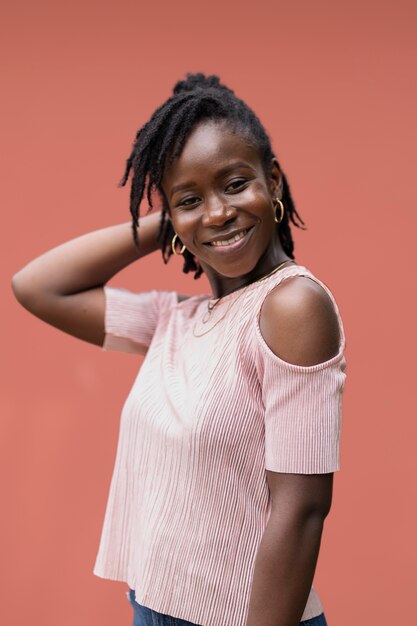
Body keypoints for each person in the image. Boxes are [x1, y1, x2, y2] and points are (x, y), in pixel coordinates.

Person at [12, 72, 347, 626]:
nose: (217, 213)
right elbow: (38, 286)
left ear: (275, 181)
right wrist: (169, 222)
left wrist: (188, 209)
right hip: (154, 607)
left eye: (235, 184)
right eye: (192, 198)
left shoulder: (291, 305)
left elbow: (302, 507)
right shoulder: (176, 318)